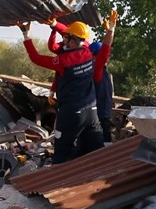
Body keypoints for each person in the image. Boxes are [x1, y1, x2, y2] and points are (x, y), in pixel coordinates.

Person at [20, 11, 117, 164]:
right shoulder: (88, 52)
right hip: (91, 113)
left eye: (66, 38)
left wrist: (26, 35)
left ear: (72, 42)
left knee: (61, 155)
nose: (64, 39)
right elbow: (106, 47)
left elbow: (35, 58)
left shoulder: (62, 61)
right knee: (97, 152)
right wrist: (111, 29)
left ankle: (57, 182)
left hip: (71, 114)